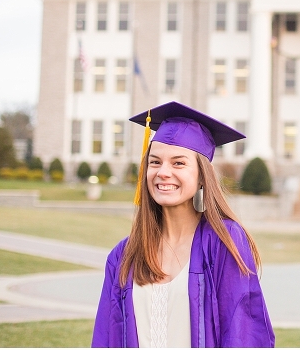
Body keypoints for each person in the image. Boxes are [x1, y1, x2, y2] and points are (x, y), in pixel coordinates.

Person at [92, 101, 275, 347]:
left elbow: (241, 333)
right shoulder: (124, 256)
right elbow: (107, 337)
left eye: (178, 163)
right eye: (155, 162)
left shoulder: (223, 243)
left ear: (202, 176)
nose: (163, 172)